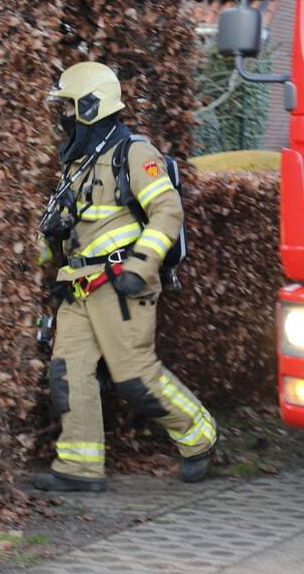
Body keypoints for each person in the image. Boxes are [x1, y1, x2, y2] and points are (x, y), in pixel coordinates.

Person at [34, 61, 217, 493]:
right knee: (68, 373)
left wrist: (141, 266)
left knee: (136, 379)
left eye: (69, 107)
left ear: (91, 106)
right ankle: (79, 467)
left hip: (122, 284)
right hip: (79, 285)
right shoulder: (78, 163)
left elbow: (167, 211)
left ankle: (200, 436)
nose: (64, 117)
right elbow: (68, 226)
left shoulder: (134, 153)